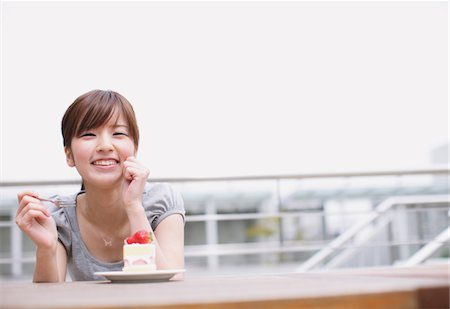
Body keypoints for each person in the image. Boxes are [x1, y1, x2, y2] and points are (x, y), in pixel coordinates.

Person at [15, 89, 185, 282]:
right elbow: (48, 300)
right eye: (89, 134)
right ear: (69, 155)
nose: (105, 145)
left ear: (134, 148)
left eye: (118, 133)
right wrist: (46, 248)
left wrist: (134, 207)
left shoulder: (161, 201)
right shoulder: (58, 215)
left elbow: (172, 286)